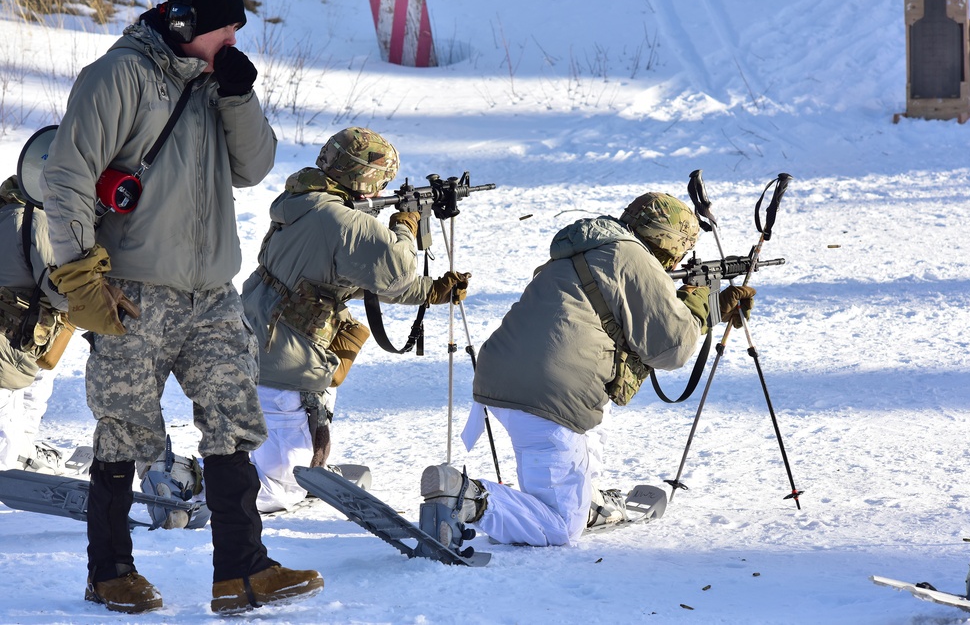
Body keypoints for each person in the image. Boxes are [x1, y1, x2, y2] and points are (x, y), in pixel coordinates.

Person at [39, 0, 322, 615]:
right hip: (132, 288)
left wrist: (239, 96)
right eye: (224, 28)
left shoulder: (214, 85)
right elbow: (67, 173)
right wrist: (81, 272)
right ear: (187, 25)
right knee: (124, 426)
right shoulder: (119, 76)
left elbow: (253, 168)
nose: (232, 39)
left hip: (211, 291)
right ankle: (109, 572)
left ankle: (241, 572)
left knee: (234, 417)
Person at [421, 192, 756, 547]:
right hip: (548, 393)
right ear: (668, 242)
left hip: (503, 377)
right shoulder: (633, 258)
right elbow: (671, 348)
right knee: (560, 525)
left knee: (591, 428)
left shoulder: (589, 249)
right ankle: (467, 498)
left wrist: (706, 305)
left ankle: (587, 498)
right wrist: (702, 305)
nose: (677, 263)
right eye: (681, 252)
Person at [240, 126, 470, 513]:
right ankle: (189, 484)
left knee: (270, 452)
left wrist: (430, 291)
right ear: (362, 178)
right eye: (380, 183)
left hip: (267, 347)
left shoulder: (303, 203)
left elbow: (348, 277)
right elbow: (396, 270)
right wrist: (405, 225)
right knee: (277, 490)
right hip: (285, 364)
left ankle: (243, 472)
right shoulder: (339, 220)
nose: (382, 193)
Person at [0, 176, 71, 474]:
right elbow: (58, 292)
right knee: (6, 419)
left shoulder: (5, 213)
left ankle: (21, 456)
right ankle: (9, 470)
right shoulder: (33, 219)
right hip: (11, 337)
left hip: (15, 334)